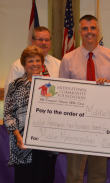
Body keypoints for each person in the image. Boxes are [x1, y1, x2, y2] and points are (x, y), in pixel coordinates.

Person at [59, 14, 110, 183]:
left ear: (98, 30)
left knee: (98, 174)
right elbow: (61, 94)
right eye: (85, 28)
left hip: (102, 124)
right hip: (76, 125)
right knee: (74, 175)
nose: (90, 32)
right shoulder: (67, 59)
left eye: (93, 28)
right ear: (79, 32)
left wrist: (108, 85)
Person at [4, 45, 58, 183]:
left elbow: (58, 112)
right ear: (23, 64)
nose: (35, 64)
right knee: (25, 179)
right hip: (23, 144)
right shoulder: (15, 85)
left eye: (38, 60)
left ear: (42, 63)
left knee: (45, 178)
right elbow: (8, 115)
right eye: (30, 61)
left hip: (47, 143)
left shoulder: (51, 85)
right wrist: (18, 136)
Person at [4, 26, 61, 101]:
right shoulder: (17, 66)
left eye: (47, 40)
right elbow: (8, 98)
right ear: (32, 41)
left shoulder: (59, 64)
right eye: (40, 39)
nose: (44, 43)